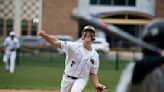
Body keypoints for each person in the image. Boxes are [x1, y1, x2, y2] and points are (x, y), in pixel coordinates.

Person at [38, 25, 107, 92]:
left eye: (91, 32)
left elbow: (93, 73)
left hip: (81, 79)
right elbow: (56, 42)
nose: (88, 34)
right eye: (86, 32)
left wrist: (96, 84)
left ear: (94, 36)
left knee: (75, 91)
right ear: (82, 34)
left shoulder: (95, 55)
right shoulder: (73, 46)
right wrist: (45, 36)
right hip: (67, 78)